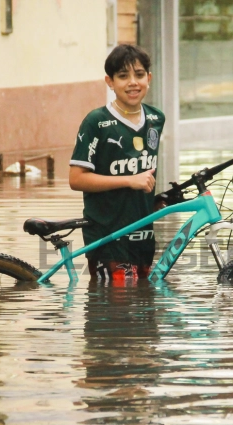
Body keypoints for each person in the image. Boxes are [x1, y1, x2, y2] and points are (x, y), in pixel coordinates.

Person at [69, 44, 166, 283]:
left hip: (143, 237)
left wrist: (156, 200)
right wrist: (129, 180)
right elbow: (76, 179)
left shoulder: (156, 118)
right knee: (116, 314)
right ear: (109, 82)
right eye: (123, 76)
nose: (133, 82)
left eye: (139, 74)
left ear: (149, 78)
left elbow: (144, 173)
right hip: (107, 238)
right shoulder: (96, 122)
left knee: (144, 314)